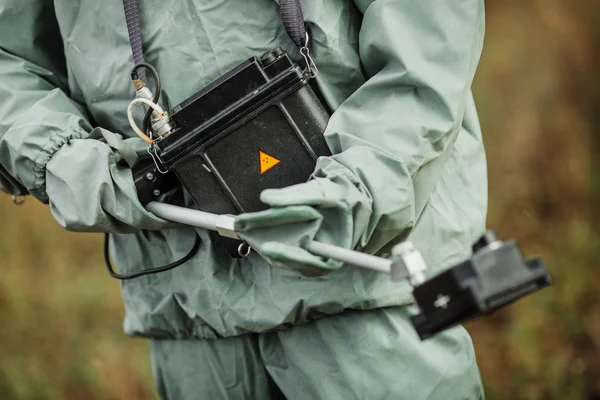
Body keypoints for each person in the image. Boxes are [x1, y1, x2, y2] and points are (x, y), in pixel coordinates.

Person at [0, 0, 488, 399]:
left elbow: (428, 42)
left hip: (365, 285)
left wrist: (360, 186)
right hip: (186, 310)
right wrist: (66, 161)